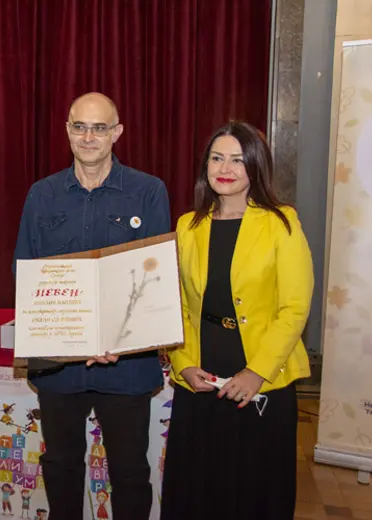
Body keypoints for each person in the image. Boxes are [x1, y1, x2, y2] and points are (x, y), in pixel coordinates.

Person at [13, 92, 170, 519]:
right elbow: (25, 271)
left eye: (99, 128)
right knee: (60, 466)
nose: (88, 137)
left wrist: (118, 338)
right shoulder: (42, 194)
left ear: (116, 133)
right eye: (79, 126)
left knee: (130, 471)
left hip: (126, 362)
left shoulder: (148, 192)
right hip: (59, 364)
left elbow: (155, 278)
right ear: (67, 130)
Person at [161, 121, 313, 520]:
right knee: (197, 492)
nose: (224, 168)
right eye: (216, 158)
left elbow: (294, 308)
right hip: (200, 382)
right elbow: (176, 305)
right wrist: (183, 363)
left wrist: (256, 372)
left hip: (262, 383)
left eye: (237, 160)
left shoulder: (282, 223)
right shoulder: (188, 226)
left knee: (254, 494)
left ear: (255, 167)